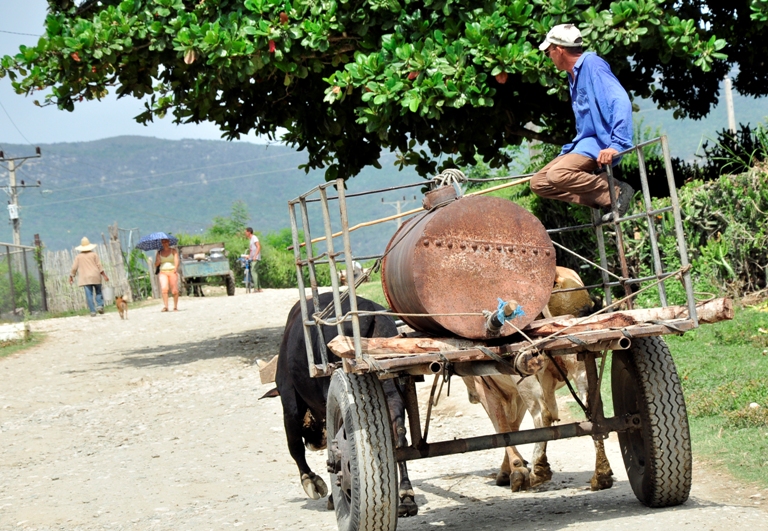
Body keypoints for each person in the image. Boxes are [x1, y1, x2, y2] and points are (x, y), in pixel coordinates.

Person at [531, 24, 635, 222]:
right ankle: (606, 196)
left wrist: (617, 145)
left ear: (559, 50)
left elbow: (620, 100)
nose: (549, 57)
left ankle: (616, 190)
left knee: (558, 174)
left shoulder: (592, 64)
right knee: (539, 183)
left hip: (601, 141)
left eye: (549, 52)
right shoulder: (574, 75)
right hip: (585, 142)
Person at [69, 237, 110, 317]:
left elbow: (74, 268)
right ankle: (100, 306)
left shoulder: (78, 257)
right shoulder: (94, 255)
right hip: (95, 276)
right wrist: (104, 276)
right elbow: (99, 266)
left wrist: (71, 276)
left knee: (89, 295)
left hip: (85, 279)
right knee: (98, 292)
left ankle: (92, 311)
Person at [154, 238, 180, 311]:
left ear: (169, 242)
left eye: (166, 241)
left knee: (174, 290)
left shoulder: (173, 251)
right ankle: (166, 306)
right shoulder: (159, 253)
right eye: (163, 242)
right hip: (163, 272)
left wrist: (175, 268)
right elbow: (155, 264)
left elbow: (176, 260)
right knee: (164, 289)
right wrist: (158, 262)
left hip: (172, 271)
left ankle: (175, 306)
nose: (164, 243)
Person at [245, 227, 262, 292]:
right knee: (255, 272)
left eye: (246, 232)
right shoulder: (251, 239)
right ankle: (259, 288)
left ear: (249, 232)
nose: (245, 233)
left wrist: (255, 256)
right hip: (253, 257)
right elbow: (252, 250)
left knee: (253, 271)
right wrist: (249, 256)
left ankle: (256, 288)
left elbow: (258, 246)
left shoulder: (254, 238)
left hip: (256, 258)